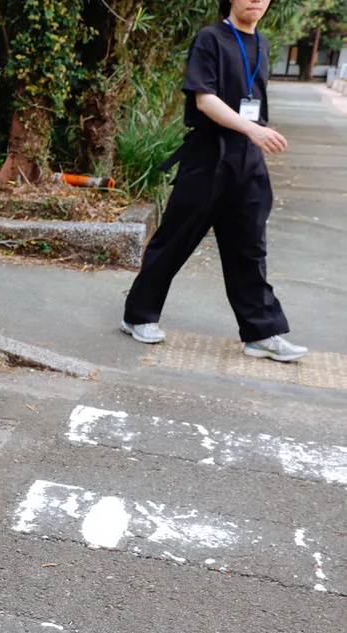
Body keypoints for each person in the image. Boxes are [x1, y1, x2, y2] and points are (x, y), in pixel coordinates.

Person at [121, 0, 307, 362]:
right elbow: (205, 100)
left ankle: (261, 332)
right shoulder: (210, 38)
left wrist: (255, 134)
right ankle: (138, 316)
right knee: (174, 239)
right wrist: (253, 129)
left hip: (248, 158)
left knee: (249, 247)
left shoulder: (263, 44)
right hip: (208, 156)